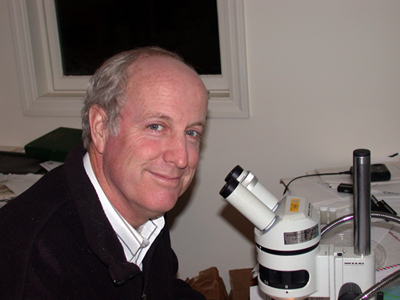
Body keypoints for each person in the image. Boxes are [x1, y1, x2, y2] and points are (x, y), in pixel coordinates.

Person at [0, 47, 209, 299]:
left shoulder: (141, 205)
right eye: (156, 126)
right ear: (100, 128)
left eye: (191, 133)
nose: (181, 158)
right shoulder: (37, 260)